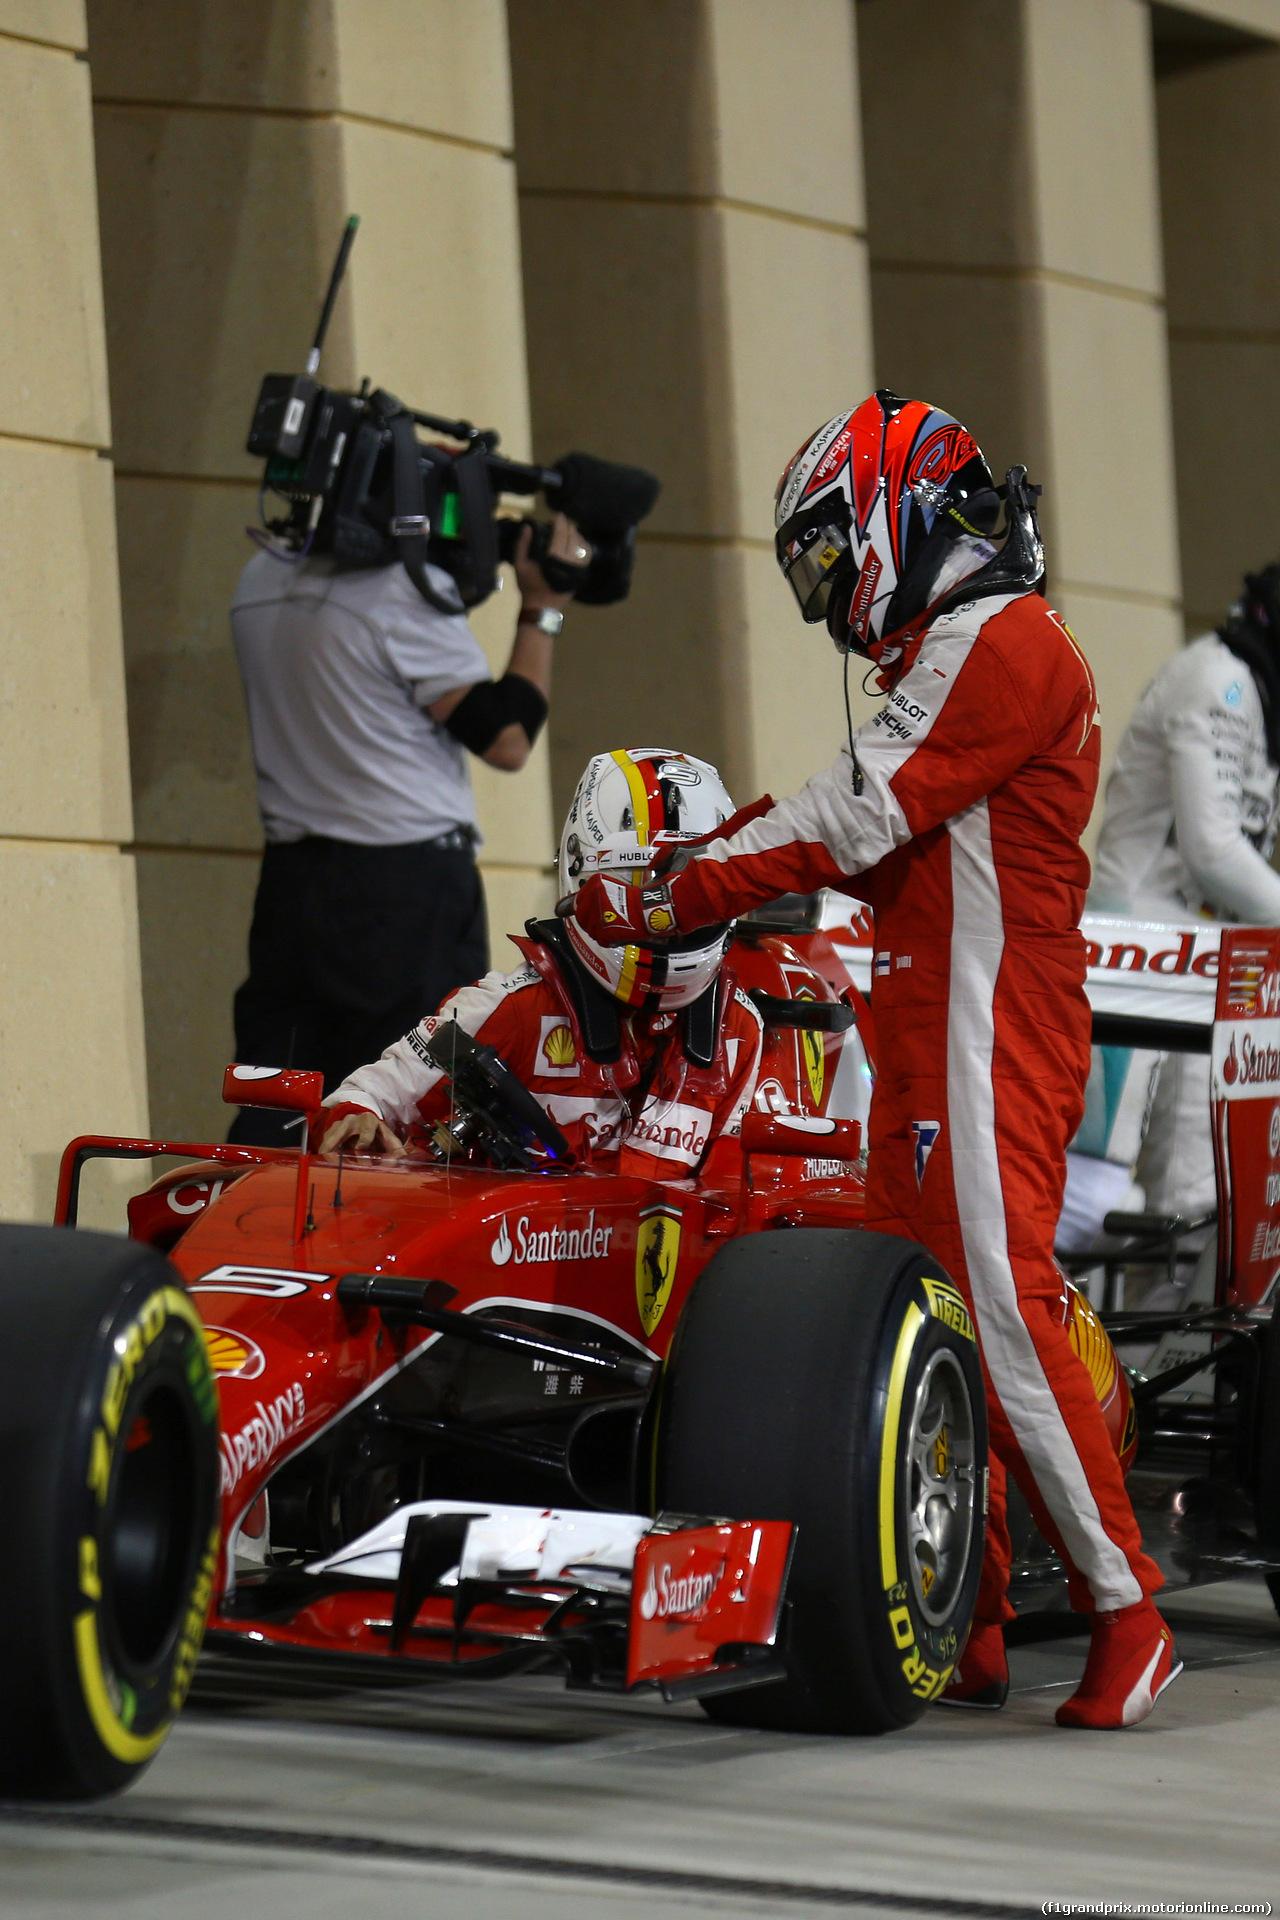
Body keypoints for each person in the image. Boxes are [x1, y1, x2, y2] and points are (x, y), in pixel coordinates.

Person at [568, 391, 1179, 1731]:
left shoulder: (1003, 642)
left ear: (902, 512)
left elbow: (846, 819)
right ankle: (974, 1616)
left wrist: (672, 892)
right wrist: (702, 872)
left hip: (988, 1018)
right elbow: (853, 824)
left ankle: (1129, 1608)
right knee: (940, 1318)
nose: (828, 595)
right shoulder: (962, 650)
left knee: (1003, 1308)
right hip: (932, 1018)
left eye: (832, 557)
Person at [228, 516, 586, 1144]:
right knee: (410, 1096)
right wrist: (542, 606)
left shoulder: (260, 576)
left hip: (292, 883)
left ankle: (247, 1232)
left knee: (281, 1096)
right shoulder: (397, 593)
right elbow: (506, 737)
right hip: (402, 894)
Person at [317, 748, 764, 1182]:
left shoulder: (739, 1028)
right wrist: (358, 1118)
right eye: (636, 894)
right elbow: (361, 1099)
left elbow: (731, 1204)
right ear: (580, 877)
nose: (663, 922)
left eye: (690, 897)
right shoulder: (506, 1006)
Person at [1089, 563, 1280, 1223]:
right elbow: (1214, 851)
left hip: (1209, 962)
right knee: (1097, 1194)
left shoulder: (1261, 689)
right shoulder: (1218, 678)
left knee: (1198, 1204)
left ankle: (1160, 1331)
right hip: (1134, 958)